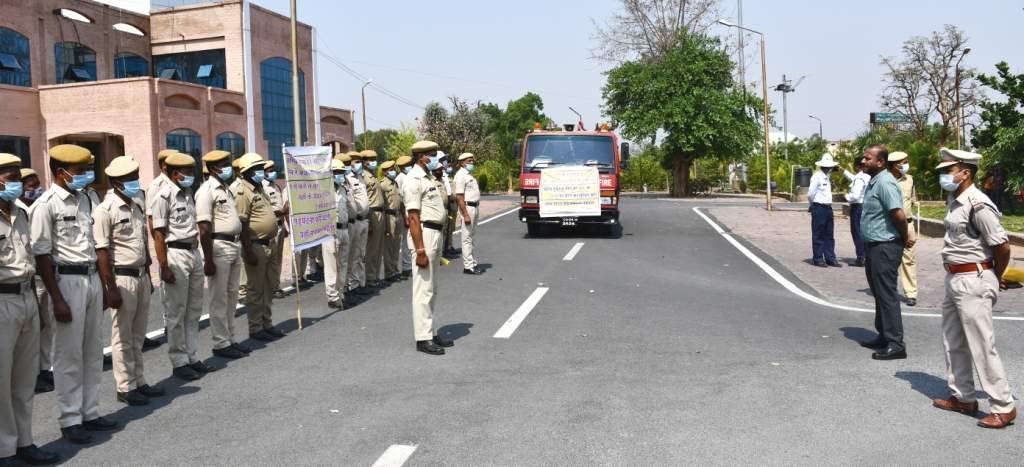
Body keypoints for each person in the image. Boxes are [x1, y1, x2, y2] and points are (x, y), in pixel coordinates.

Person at [30, 144, 117, 444]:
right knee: (68, 354)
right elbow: (41, 255)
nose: (86, 177)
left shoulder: (88, 198)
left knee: (93, 349)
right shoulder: (46, 205)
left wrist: (105, 286)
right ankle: (70, 419)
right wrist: (56, 298)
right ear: (60, 173)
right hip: (66, 281)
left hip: (91, 278)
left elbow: (95, 245)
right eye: (80, 172)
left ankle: (90, 412)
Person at [930, 148, 1017, 429]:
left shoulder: (979, 204)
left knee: (981, 345)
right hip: (955, 278)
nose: (944, 175)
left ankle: (1004, 406)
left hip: (974, 279)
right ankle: (963, 397)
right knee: (953, 340)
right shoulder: (954, 199)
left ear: (965, 173)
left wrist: (995, 274)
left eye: (948, 170)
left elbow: (1002, 246)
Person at [0, 153, 60, 465]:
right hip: (2, 301)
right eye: (10, 178)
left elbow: (35, 257)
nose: (16, 184)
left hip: (26, 297)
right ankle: (4, 449)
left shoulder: (21, 212)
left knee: (24, 380)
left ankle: (25, 442)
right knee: (1, 381)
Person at [92, 156, 165, 407]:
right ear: (115, 182)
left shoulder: (135, 203)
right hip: (121, 278)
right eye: (129, 179)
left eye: (136, 176)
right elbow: (101, 251)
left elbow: (142, 242)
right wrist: (109, 288)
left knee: (138, 334)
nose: (135, 181)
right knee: (122, 336)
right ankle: (125, 386)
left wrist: (148, 275)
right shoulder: (105, 210)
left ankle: (139, 380)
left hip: (141, 276)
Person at [152, 153, 212, 381]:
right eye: (186, 172)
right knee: (176, 313)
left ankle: (192, 356)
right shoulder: (163, 197)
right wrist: (164, 266)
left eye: (191, 171)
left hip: (193, 251)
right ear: (175, 173)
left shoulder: (188, 195)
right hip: (175, 253)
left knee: (194, 309)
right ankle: (179, 362)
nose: (190, 176)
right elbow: (158, 234)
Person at [857, 144, 914, 360]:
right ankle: (883, 335)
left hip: (885, 246)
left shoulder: (886, 182)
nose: (863, 161)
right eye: (863, 158)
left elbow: (897, 214)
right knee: (879, 294)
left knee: (887, 295)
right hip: (874, 246)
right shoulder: (875, 181)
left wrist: (904, 236)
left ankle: (896, 344)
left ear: (880, 162)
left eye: (868, 158)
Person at [195, 150, 248, 360]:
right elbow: (204, 228)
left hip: (233, 246)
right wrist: (208, 259)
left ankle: (230, 338)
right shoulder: (206, 191)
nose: (227, 167)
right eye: (223, 164)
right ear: (213, 168)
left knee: (232, 295)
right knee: (219, 298)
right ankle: (220, 342)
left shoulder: (226, 188)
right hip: (218, 247)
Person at [404, 141, 453, 355]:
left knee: (432, 289)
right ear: (421, 156)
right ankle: (422, 339)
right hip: (424, 235)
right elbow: (413, 218)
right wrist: (420, 250)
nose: (435, 158)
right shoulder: (413, 179)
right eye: (432, 154)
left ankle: (430, 331)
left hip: (435, 233)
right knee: (423, 290)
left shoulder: (428, 177)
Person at [234, 153, 285, 342]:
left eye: (260, 169)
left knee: (269, 285)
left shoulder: (259, 188)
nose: (260, 172)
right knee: (255, 289)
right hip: (255, 246)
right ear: (246, 172)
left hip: (270, 243)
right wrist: (248, 251)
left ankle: (267, 322)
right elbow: (242, 225)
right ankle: (256, 327)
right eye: (256, 170)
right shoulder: (242, 192)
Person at [19, 169, 54, 395]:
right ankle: (31, 373)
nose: (36, 189)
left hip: (44, 274)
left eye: (38, 184)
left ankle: (44, 368)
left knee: (46, 325)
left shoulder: (38, 207)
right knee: (31, 329)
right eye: (31, 186)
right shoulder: (19, 211)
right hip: (29, 278)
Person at [888, 151, 919, 306]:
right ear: (895, 165)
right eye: (903, 162)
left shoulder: (910, 180)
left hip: (907, 224)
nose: (906, 165)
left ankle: (911, 293)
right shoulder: (885, 181)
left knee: (909, 259)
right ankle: (889, 290)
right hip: (889, 225)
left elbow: (913, 199)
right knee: (890, 258)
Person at [323, 157, 351, 309]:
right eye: (338, 172)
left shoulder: (343, 189)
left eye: (342, 172)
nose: (341, 175)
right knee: (332, 266)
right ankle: (332, 296)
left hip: (344, 229)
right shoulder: (324, 191)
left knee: (343, 264)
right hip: (330, 232)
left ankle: (341, 293)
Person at [262, 160, 290, 300]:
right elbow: (265, 211)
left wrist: (284, 224)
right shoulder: (262, 187)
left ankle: (275, 286)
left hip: (280, 225)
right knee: (269, 259)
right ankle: (269, 287)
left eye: (274, 169)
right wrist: (282, 212)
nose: (273, 172)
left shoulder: (276, 186)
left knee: (278, 259)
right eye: (269, 170)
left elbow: (282, 207)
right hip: (270, 227)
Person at [808, 154, 840, 267]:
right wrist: (812, 205)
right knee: (818, 234)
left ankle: (830, 258)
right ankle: (818, 258)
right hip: (819, 207)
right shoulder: (816, 176)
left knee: (829, 234)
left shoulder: (827, 176)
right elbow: (811, 194)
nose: (829, 168)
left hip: (828, 208)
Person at [346, 152, 370, 296]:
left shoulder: (361, 177)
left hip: (364, 219)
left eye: (360, 161)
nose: (359, 164)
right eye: (356, 161)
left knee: (361, 254)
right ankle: (352, 285)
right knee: (352, 254)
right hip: (354, 221)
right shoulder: (347, 178)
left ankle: (361, 282)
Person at [361, 150, 387, 288]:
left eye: (375, 159)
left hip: (380, 214)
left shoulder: (372, 175)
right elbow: (366, 200)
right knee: (372, 248)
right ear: (365, 162)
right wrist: (369, 221)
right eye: (371, 159)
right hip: (372, 213)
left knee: (378, 247)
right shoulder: (364, 176)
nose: (374, 162)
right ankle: (370, 278)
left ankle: (375, 275)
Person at [454, 153, 482, 275]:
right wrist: (465, 214)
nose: (471, 163)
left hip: (474, 207)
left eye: (472, 161)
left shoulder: (468, 175)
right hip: (467, 208)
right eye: (469, 161)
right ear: (462, 163)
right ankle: (468, 266)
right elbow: (459, 196)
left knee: (471, 237)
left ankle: (472, 263)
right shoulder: (460, 175)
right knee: (467, 238)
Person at [843, 160, 870, 267]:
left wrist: (846, 196)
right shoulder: (867, 176)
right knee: (864, 232)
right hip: (866, 206)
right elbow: (853, 178)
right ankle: (866, 255)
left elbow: (855, 195)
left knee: (856, 232)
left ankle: (861, 257)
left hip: (858, 206)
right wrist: (843, 171)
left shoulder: (859, 178)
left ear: (857, 166)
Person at [379, 160, 403, 283]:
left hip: (398, 215)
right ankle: (389, 272)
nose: (393, 171)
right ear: (384, 171)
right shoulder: (382, 185)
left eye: (394, 168)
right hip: (389, 216)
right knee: (388, 246)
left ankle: (394, 268)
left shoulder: (395, 183)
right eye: (390, 169)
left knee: (396, 244)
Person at [395, 155, 414, 279]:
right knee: (407, 241)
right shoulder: (400, 179)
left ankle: (412, 265)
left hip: (413, 211)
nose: (410, 167)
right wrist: (405, 217)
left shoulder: (409, 176)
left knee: (413, 240)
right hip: (405, 213)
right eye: (407, 165)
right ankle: (407, 267)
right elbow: (400, 201)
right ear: (402, 167)